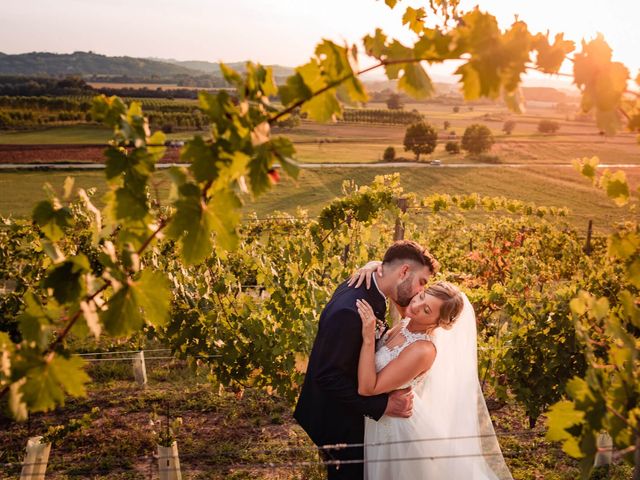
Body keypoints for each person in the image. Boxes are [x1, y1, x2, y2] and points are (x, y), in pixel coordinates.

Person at [293, 240, 439, 480]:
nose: (420, 293)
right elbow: (328, 377)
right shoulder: (349, 311)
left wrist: (373, 265)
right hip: (337, 420)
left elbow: (407, 315)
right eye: (421, 282)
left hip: (354, 414)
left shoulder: (372, 288)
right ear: (403, 272)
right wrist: (382, 406)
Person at [353, 265, 513, 479]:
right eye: (422, 297)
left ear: (441, 324)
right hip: (379, 419)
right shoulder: (411, 318)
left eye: (427, 310)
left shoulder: (423, 349)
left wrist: (367, 337)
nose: (417, 305)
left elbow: (368, 387)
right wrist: (373, 266)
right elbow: (393, 279)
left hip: (395, 433)